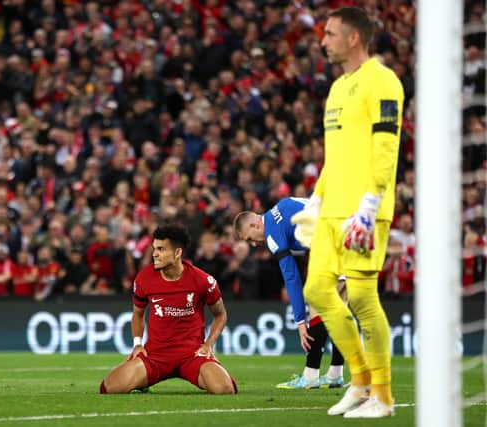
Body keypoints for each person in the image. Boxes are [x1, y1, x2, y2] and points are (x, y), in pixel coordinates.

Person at [291, 7, 404, 418]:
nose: (323, 41)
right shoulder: (337, 89)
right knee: (317, 291)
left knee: (360, 295)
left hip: (363, 212)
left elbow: (386, 146)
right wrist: (316, 200)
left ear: (354, 38)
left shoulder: (383, 81)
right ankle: (359, 381)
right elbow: (333, 156)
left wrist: (370, 204)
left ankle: (383, 395)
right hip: (332, 211)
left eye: (331, 34)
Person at [100, 224, 237, 394]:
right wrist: (137, 344)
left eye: (161, 249)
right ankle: (144, 381)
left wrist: (208, 344)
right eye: (154, 248)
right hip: (156, 355)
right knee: (110, 387)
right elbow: (137, 314)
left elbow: (220, 314)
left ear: (178, 253)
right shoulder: (144, 278)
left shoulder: (203, 280)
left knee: (224, 389)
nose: (154, 254)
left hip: (191, 354)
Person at [233, 198, 345, 390]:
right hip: (346, 238)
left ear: (254, 224)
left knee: (317, 305)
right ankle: (335, 373)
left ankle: (311, 376)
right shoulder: (283, 204)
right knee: (339, 312)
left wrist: (301, 321)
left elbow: (291, 276)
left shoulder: (271, 234)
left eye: (249, 238)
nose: (253, 244)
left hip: (330, 249)